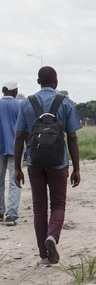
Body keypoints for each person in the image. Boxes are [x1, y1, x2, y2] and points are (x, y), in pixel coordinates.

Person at [14, 66, 82, 266]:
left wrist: (17, 167)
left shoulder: (27, 103)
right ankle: (52, 236)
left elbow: (19, 137)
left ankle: (44, 255)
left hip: (34, 162)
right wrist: (76, 168)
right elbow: (72, 137)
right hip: (58, 163)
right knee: (58, 204)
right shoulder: (66, 103)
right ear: (56, 83)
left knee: (39, 207)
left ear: (38, 82)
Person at [1, 80, 21, 226]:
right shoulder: (19, 105)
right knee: (15, 180)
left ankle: (0, 211)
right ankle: (11, 214)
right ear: (14, 91)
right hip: (16, 147)